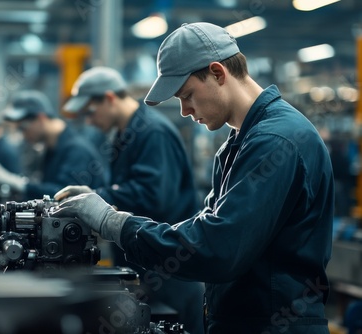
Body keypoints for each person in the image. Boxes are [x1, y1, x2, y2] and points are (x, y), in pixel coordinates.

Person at [52, 22, 334, 333]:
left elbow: (218, 247)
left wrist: (115, 223)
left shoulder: (275, 141)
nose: (185, 110)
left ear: (217, 73)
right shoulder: (238, 143)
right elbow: (204, 228)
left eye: (187, 95)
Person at [55, 66, 205, 334]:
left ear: (110, 98)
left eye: (90, 112)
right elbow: (128, 187)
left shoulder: (152, 133)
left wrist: (99, 199)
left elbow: (154, 196)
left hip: (171, 271)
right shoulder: (126, 135)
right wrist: (96, 194)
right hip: (147, 264)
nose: (88, 121)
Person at [0, 90, 107, 199]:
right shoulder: (51, 149)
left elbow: (64, 195)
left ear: (41, 118)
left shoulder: (76, 150)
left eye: (23, 128)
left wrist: (15, 182)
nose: (22, 135)